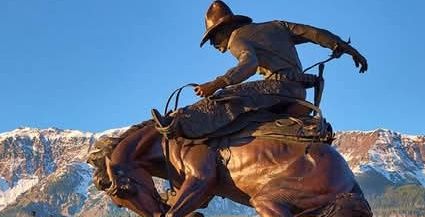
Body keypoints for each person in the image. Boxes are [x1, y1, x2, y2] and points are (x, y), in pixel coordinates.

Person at [152, 1, 368, 139]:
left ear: (225, 28)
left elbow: (249, 64)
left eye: (213, 37)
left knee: (223, 99)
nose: (214, 45)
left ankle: (177, 123)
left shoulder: (237, 38)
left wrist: (216, 84)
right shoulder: (278, 26)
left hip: (277, 88)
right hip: (299, 91)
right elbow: (314, 33)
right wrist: (345, 48)